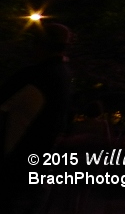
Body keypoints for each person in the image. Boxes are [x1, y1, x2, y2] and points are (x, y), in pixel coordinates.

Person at [0, 23, 73, 204]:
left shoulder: (34, 76)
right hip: (39, 163)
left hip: (14, 164)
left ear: (40, 44)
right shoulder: (64, 77)